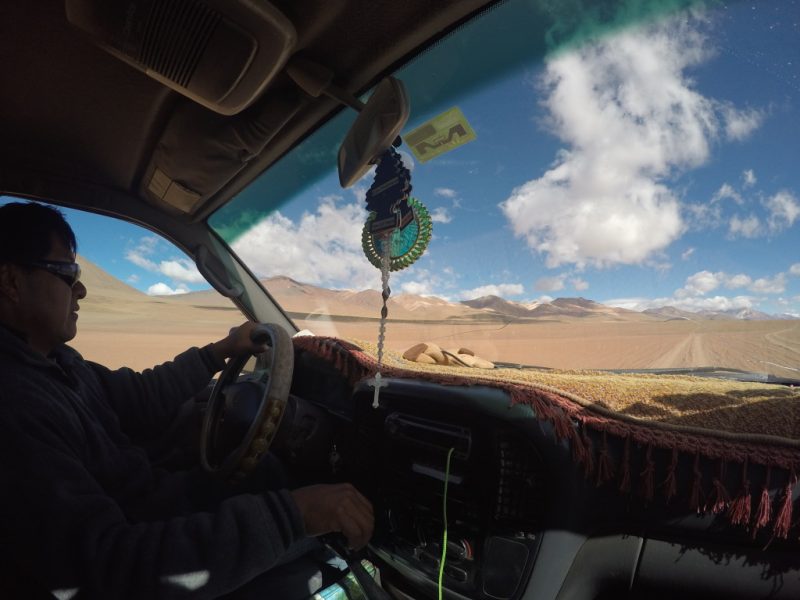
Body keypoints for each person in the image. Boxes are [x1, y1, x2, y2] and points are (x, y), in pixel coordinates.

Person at [0, 201, 374, 599]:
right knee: (324, 563)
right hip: (141, 552)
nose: (81, 289)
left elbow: (138, 397)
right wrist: (294, 516)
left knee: (268, 476)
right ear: (10, 282)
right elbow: (111, 565)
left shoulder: (59, 363)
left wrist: (220, 352)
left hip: (154, 506)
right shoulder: (15, 406)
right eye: (67, 273)